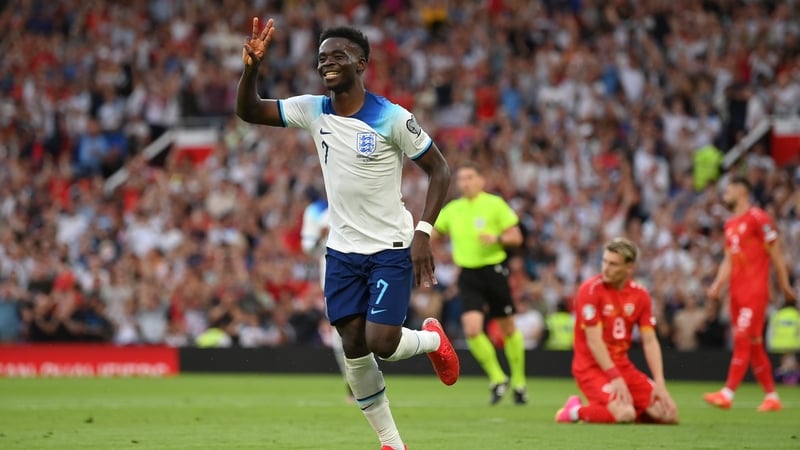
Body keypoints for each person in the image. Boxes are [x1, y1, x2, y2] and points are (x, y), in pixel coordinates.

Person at [236, 19, 458, 450]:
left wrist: (423, 232)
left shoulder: (392, 117)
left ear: (361, 63)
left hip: (390, 247)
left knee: (383, 342)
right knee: (354, 347)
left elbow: (440, 170)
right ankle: (391, 442)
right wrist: (252, 68)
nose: (327, 64)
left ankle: (432, 339)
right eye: (322, 58)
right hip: (341, 252)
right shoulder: (313, 109)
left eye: (337, 56)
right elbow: (250, 111)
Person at [555, 238, 678, 424]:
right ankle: (573, 411)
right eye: (604, 261)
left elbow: (650, 340)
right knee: (624, 414)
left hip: (623, 365)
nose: (605, 268)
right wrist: (615, 378)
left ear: (629, 268)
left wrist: (660, 383)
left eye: (613, 264)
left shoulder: (640, 295)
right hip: (591, 367)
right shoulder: (590, 291)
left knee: (668, 415)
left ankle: (616, 409)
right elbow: (594, 342)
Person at [432, 162, 527, 405]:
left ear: (481, 180)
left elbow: (516, 236)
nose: (465, 182)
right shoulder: (453, 209)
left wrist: (497, 237)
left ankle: (519, 381)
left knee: (507, 328)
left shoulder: (494, 204)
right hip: (468, 274)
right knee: (472, 329)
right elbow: (435, 232)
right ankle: (497, 378)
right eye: (461, 179)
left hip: (494, 269)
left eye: (470, 177)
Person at [704, 176, 797, 412]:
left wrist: (784, 285)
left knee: (742, 338)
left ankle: (727, 393)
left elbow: (776, 253)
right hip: (736, 292)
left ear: (741, 191)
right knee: (754, 344)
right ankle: (772, 397)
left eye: (728, 190)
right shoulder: (730, 224)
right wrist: (718, 284)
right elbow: (728, 260)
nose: (725, 195)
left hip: (755, 291)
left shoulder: (759, 219)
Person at [299, 188, 353, 402]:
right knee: (341, 336)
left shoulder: (360, 197)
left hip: (367, 274)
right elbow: (308, 248)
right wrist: (320, 237)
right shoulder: (316, 210)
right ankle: (353, 383)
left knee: (371, 331)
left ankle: (365, 380)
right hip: (333, 281)